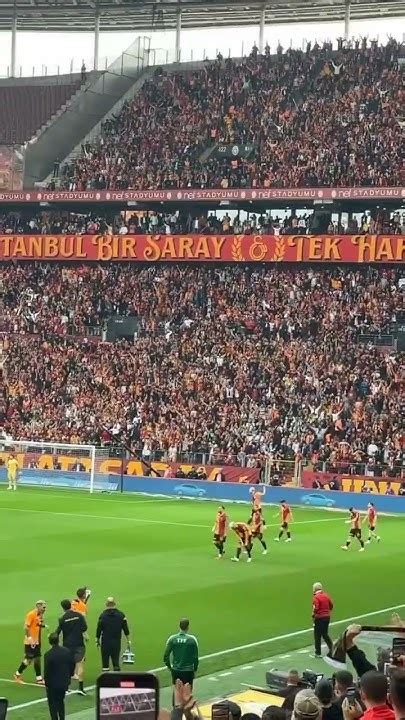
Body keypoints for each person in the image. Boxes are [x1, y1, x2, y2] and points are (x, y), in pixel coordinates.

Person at [56, 599, 88, 696]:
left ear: (63, 608)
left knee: (67, 666)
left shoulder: (62, 618)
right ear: (70, 605)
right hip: (79, 643)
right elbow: (84, 628)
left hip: (67, 645)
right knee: (80, 664)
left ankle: (66, 688)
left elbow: (58, 632)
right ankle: (81, 688)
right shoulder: (79, 615)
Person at [14, 600, 47, 684]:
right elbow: (26, 627)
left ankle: (39, 678)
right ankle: (17, 674)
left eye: (45, 607)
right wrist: (29, 638)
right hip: (30, 642)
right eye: (43, 607)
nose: (44, 609)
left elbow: (37, 624)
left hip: (37, 641)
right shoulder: (31, 614)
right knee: (28, 660)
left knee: (37, 658)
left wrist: (43, 625)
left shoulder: (40, 615)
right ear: (38, 606)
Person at [163, 618, 199, 694]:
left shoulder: (172, 639)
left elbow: (166, 656)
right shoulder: (192, 640)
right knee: (187, 693)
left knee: (176, 692)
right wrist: (195, 669)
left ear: (179, 626)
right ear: (188, 627)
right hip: (188, 670)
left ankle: (175, 705)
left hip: (176, 670)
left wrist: (170, 667)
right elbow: (195, 657)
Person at [96, 596, 131, 671]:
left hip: (105, 642)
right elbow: (126, 629)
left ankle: (105, 680)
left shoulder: (103, 616)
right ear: (114, 604)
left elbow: (99, 629)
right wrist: (128, 640)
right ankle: (117, 679)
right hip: (116, 642)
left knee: (105, 662)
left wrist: (97, 640)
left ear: (106, 604)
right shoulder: (121, 615)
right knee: (115, 661)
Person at [44, 632, 72, 720]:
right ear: (58, 640)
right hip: (64, 683)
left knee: (52, 704)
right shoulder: (66, 652)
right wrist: (69, 676)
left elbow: (47, 671)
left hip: (52, 685)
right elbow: (72, 664)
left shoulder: (48, 655)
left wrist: (47, 684)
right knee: (60, 702)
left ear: (50, 642)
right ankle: (62, 718)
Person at [312, 582, 333, 659]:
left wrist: (313, 615)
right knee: (325, 634)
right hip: (327, 617)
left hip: (319, 618)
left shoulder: (316, 598)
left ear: (314, 589)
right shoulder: (326, 595)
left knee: (317, 635)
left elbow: (316, 608)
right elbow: (331, 605)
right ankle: (333, 649)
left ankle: (318, 653)